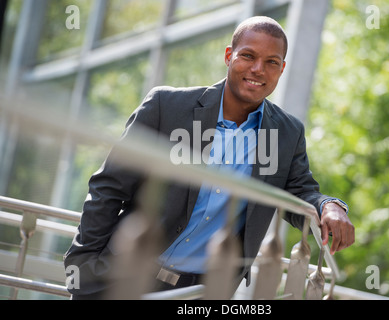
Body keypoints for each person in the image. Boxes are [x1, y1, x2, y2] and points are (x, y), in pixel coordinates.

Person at [64, 16, 355, 300]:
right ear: (229, 56)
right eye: (248, 56)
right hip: (123, 276)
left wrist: (331, 206)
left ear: (282, 69)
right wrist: (83, 262)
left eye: (271, 62)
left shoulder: (286, 133)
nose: (258, 69)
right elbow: (109, 186)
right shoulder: (167, 107)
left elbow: (301, 192)